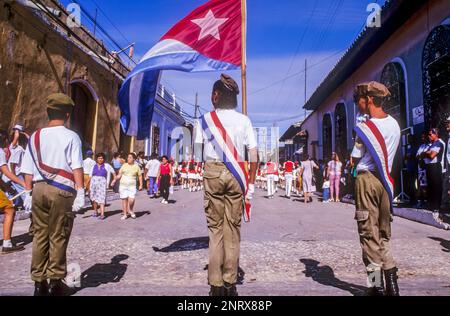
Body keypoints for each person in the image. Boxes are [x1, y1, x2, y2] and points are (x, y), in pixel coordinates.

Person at [194, 74, 258, 296]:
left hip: (212, 172)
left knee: (215, 230)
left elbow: (197, 153)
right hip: (237, 174)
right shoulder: (244, 121)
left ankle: (215, 285)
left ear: (215, 96)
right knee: (233, 229)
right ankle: (230, 283)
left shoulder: (203, 120)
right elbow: (254, 155)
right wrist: (250, 183)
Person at [22, 93, 85, 296]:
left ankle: (38, 283)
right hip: (62, 191)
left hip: (38, 189)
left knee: (39, 235)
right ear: (67, 115)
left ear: (48, 112)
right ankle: (55, 282)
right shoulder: (71, 137)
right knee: (58, 235)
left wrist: (26, 192)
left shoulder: (35, 136)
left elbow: (28, 169)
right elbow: (76, 167)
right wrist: (81, 191)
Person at [351, 82, 401, 296]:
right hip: (385, 182)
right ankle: (392, 283)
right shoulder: (395, 125)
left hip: (367, 180)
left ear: (369, 99)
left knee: (368, 234)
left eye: (359, 101)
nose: (358, 105)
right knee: (383, 234)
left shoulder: (365, 127)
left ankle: (376, 286)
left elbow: (355, 158)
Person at [0, 130, 27, 254]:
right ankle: (7, 243)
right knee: (10, 209)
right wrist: (22, 183)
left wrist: (6, 188)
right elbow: (6, 172)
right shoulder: (0, 152)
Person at [111, 153, 143, 220]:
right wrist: (114, 180)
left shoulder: (136, 167)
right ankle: (125, 214)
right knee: (124, 199)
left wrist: (141, 185)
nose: (128, 158)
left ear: (134, 159)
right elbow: (119, 175)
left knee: (132, 200)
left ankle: (130, 210)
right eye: (128, 157)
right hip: (123, 185)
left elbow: (140, 176)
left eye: (130, 157)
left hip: (132, 186)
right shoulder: (124, 165)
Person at [420, 128, 445, 212]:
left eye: (431, 134)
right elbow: (423, 154)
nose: (429, 136)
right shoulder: (432, 144)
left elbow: (432, 155)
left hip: (436, 166)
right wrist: (426, 153)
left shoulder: (439, 143)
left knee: (436, 186)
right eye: (429, 134)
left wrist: (425, 153)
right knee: (430, 186)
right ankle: (431, 205)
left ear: (436, 134)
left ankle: (437, 206)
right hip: (430, 166)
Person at [88, 153, 116, 220]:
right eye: (99, 158)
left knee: (102, 198)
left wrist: (113, 181)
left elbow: (114, 173)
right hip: (93, 184)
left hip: (102, 184)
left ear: (104, 159)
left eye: (102, 158)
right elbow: (90, 177)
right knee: (94, 198)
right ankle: (95, 211)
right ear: (96, 159)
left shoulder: (107, 166)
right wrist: (88, 186)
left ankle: (102, 214)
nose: (100, 159)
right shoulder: (93, 166)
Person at [415, 132, 429, 209]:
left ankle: (426, 202)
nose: (422, 138)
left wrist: (422, 155)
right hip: (419, 169)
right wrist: (422, 155)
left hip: (425, 169)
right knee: (420, 186)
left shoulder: (429, 146)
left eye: (424, 137)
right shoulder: (421, 146)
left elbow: (425, 155)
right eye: (422, 137)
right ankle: (421, 202)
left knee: (425, 187)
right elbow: (417, 156)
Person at [441, 116, 450, 219]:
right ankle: (445, 210)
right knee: (446, 187)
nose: (447, 124)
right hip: (448, 165)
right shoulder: (448, 136)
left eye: (449, 122)